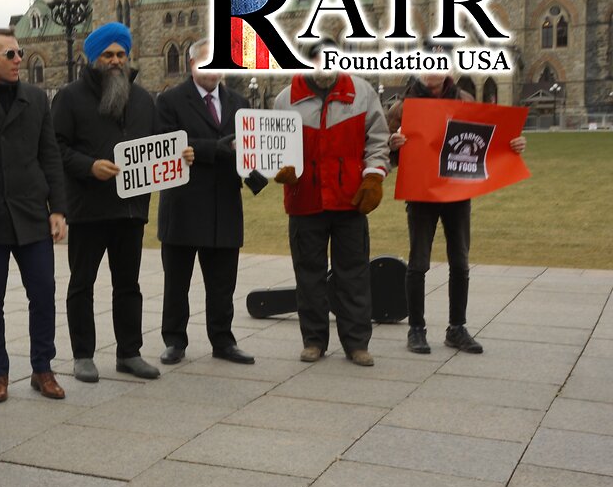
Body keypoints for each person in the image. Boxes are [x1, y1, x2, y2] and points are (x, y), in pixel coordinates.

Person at [385, 68, 526, 354]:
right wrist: (393, 144)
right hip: (421, 192)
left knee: (460, 262)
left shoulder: (464, 99)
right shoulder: (403, 105)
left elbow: (485, 140)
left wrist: (514, 144)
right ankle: (416, 329)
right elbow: (383, 149)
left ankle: (457, 328)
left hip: (457, 192)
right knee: (418, 262)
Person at [53, 22, 163, 383]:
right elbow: (56, 149)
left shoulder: (144, 99)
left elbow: (157, 146)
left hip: (130, 209)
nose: (116, 61)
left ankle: (129, 352)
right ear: (94, 58)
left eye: (121, 54)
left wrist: (181, 155)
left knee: (128, 285)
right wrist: (89, 167)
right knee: (82, 283)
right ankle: (83, 355)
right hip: (88, 208)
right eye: (108, 54)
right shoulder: (69, 97)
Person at [272, 41, 390, 366]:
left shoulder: (362, 92)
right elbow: (272, 147)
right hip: (304, 200)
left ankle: (356, 343)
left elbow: (378, 140)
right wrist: (279, 167)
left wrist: (373, 176)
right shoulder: (285, 100)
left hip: (349, 201)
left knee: (352, 275)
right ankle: (313, 341)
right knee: (308, 276)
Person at [0, 28, 69, 402]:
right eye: (9, 54)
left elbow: (50, 155)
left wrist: (57, 208)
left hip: (30, 212)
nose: (18, 60)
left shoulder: (36, 99)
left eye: (19, 52)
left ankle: (43, 368)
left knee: (43, 292)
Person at [155, 40, 254, 366]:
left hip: (224, 204)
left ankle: (223, 340)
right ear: (191, 64)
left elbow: (248, 148)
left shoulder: (239, 102)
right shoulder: (170, 101)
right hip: (183, 205)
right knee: (177, 282)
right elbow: (169, 145)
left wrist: (261, 173)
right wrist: (219, 148)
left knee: (223, 282)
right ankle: (175, 341)